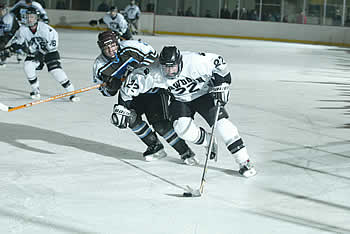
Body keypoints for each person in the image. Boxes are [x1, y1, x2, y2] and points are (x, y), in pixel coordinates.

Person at [115, 46, 257, 178]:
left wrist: (223, 84)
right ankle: (208, 141)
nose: (170, 72)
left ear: (180, 62)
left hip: (204, 95)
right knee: (182, 130)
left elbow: (220, 64)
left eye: (173, 67)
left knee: (223, 125)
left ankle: (244, 161)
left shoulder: (195, 61)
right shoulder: (153, 73)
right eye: (166, 68)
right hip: (180, 100)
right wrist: (122, 106)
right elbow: (129, 88)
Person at [92, 31, 197, 164]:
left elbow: (154, 57)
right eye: (106, 48)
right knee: (127, 117)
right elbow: (105, 92)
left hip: (153, 89)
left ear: (117, 42)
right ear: (100, 47)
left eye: (113, 45)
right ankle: (155, 146)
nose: (111, 50)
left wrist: (137, 72)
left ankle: (185, 151)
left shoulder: (131, 46)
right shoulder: (99, 66)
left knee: (161, 125)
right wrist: (111, 87)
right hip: (130, 94)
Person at [4, 7, 79, 102]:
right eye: (27, 17)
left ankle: (71, 92)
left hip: (50, 52)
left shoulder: (46, 29)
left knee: (55, 70)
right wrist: (9, 49)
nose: (29, 19)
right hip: (35, 53)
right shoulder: (23, 29)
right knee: (28, 66)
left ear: (36, 18)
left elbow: (52, 45)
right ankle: (35, 90)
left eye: (32, 17)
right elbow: (18, 42)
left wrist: (42, 53)